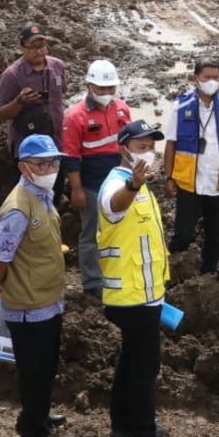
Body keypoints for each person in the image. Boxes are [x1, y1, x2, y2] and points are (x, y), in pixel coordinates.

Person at [97, 120, 181, 437]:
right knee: (145, 369)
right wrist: (133, 183)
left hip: (144, 293)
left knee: (130, 362)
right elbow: (114, 205)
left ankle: (122, 424)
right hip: (131, 297)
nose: (148, 152)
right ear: (123, 149)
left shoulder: (141, 185)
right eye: (141, 146)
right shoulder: (119, 184)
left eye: (151, 145)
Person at [0, 135, 69, 437]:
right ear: (24, 167)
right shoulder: (19, 208)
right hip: (28, 308)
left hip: (47, 302)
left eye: (54, 162)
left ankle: (41, 415)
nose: (50, 168)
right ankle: (32, 432)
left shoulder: (42, 195)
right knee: (33, 373)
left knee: (46, 368)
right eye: (42, 163)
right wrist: (13, 285)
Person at [164, 57, 219, 274]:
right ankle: (171, 272)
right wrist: (168, 176)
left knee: (215, 235)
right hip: (189, 182)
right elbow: (171, 143)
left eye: (216, 77)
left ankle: (208, 274)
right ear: (195, 79)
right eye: (207, 77)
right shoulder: (181, 105)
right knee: (182, 233)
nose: (212, 81)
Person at [60, 59, 132, 303]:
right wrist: (77, 190)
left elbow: (128, 146)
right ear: (89, 85)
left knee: (119, 229)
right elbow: (70, 158)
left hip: (119, 183)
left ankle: (117, 273)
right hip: (91, 185)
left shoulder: (122, 109)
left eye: (111, 89)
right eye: (101, 89)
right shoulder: (75, 117)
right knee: (91, 233)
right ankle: (92, 283)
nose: (106, 94)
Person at [0, 22, 69, 155]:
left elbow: (61, 94)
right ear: (22, 48)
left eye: (42, 46)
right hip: (27, 149)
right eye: (33, 47)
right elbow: (1, 113)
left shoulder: (58, 66)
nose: (39, 51)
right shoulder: (12, 75)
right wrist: (19, 102)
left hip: (56, 145)